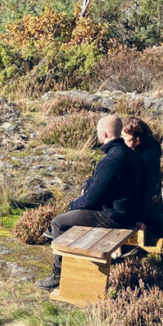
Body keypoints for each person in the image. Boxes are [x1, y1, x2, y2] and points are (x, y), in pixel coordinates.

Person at [36, 115, 145, 291]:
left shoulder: (111, 159)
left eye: (98, 132)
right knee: (74, 216)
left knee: (59, 222)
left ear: (104, 134)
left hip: (117, 218)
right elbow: (103, 181)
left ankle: (59, 274)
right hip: (128, 212)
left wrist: (72, 206)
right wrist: (88, 184)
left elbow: (91, 200)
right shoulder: (128, 154)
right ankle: (71, 262)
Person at [123, 116, 163, 239]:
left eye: (125, 137)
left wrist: (141, 218)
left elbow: (147, 189)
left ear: (137, 138)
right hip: (153, 203)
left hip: (148, 208)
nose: (122, 140)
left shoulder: (146, 160)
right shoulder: (150, 150)